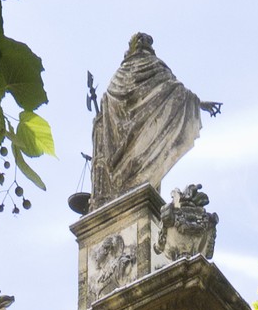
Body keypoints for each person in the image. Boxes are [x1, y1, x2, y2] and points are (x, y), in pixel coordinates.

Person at [90, 32, 220, 208]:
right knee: (139, 176)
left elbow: (173, 90)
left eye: (145, 40)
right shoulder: (123, 75)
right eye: (140, 39)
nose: (142, 42)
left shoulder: (149, 68)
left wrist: (198, 103)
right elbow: (110, 101)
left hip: (144, 135)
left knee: (145, 174)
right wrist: (198, 103)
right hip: (130, 137)